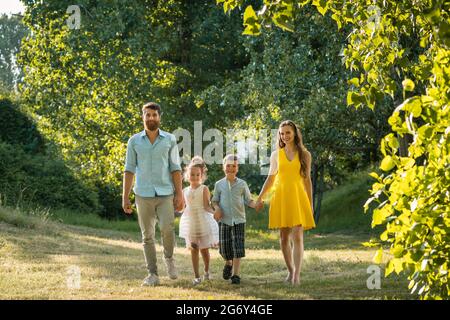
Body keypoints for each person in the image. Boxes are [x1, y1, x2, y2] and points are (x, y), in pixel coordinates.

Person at [122, 102, 184, 286]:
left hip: (165, 193)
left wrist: (179, 194)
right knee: (147, 235)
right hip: (143, 194)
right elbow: (129, 170)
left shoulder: (170, 139)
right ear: (143, 117)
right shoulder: (133, 141)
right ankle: (152, 274)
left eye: (154, 115)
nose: (151, 118)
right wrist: (125, 197)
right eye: (147, 115)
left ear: (159, 117)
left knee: (167, 228)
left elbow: (175, 169)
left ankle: (169, 259)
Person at [256, 120, 316, 286]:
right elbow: (270, 178)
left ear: (295, 133)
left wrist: (310, 204)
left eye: (288, 132)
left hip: (298, 197)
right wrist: (260, 197)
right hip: (281, 197)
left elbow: (307, 181)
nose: (285, 136)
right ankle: (290, 270)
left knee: (297, 235)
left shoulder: (305, 155)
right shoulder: (276, 155)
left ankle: (297, 274)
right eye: (282, 133)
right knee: (283, 238)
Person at [212, 154, 257, 285]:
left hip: (239, 220)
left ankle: (236, 275)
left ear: (237, 168)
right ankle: (228, 262)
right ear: (223, 167)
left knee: (238, 247)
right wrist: (217, 209)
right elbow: (214, 201)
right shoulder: (219, 184)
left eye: (234, 166)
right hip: (224, 220)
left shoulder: (242, 184)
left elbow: (249, 200)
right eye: (228, 166)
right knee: (225, 249)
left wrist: (256, 205)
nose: (231, 168)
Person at [179, 156, 219, 285]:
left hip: (202, 221)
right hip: (190, 222)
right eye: (192, 174)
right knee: (194, 248)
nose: (195, 177)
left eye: (197, 175)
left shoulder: (204, 189)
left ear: (201, 175)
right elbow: (182, 207)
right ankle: (196, 276)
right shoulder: (184, 191)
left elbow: (207, 206)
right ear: (187, 175)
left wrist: (215, 212)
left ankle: (206, 271)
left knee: (204, 250)